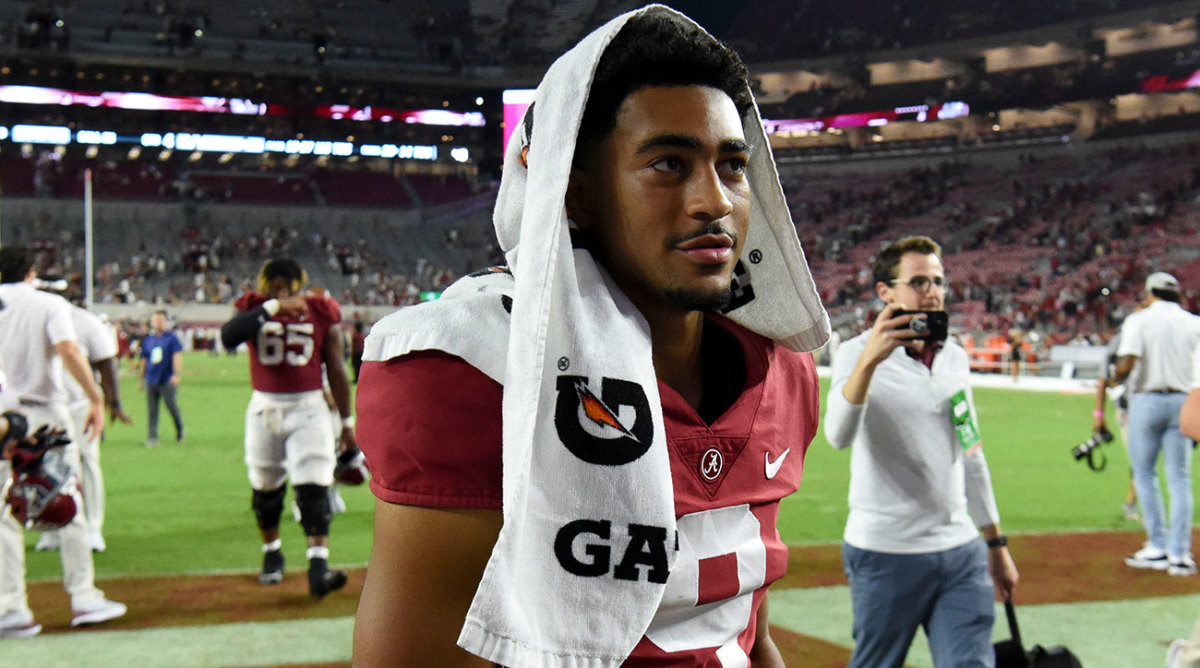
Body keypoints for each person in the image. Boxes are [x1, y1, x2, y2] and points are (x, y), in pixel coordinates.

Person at [352, 7, 829, 667]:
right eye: (669, 163)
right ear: (574, 194)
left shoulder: (779, 370)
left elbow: (749, 633)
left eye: (732, 165)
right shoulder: (473, 369)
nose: (714, 200)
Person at [824, 236, 1019, 668]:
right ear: (885, 292)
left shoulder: (954, 357)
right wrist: (870, 362)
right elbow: (837, 435)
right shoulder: (856, 353)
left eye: (938, 281)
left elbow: (971, 452)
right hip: (885, 551)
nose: (932, 291)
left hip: (959, 548)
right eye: (918, 282)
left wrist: (996, 543)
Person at [0, 246, 126, 636]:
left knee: (4, 513)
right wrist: (94, 396)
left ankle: (10, 608)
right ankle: (83, 597)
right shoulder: (47, 304)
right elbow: (68, 348)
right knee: (66, 499)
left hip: (1, 415)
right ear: (31, 272)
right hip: (44, 415)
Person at [219, 258, 356, 598]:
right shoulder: (253, 307)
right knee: (266, 490)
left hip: (309, 406)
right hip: (265, 406)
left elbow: (337, 367)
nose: (280, 291)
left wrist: (346, 422)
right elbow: (228, 337)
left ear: (298, 284)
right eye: (274, 286)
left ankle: (318, 567)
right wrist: (274, 306)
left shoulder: (320, 309)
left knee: (314, 487)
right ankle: (272, 553)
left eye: (285, 286)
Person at [1109, 271, 1200, 576]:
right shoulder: (1194, 323)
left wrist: (1113, 379)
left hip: (1147, 400)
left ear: (1150, 293)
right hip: (1183, 400)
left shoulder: (1140, 320)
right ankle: (1180, 553)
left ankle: (1157, 545)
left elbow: (1128, 361)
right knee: (1180, 477)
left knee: (1145, 474)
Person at [36, 302, 133, 554]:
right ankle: (50, 527)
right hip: (42, 403)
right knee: (43, 466)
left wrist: (113, 402)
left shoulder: (86, 321)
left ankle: (93, 527)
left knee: (87, 462)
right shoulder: (32, 312)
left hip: (80, 405)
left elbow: (106, 362)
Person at [1093, 314, 1141, 522]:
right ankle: (1132, 503)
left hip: (1140, 406)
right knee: (1141, 460)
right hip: (1131, 408)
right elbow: (1105, 378)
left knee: (1143, 461)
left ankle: (1134, 503)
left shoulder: (1123, 339)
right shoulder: (1123, 341)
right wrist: (1099, 415)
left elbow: (1105, 379)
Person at [137, 310, 184, 446]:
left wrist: (176, 374)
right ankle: (152, 436)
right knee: (152, 409)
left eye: (160, 320)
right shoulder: (148, 340)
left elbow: (177, 356)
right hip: (151, 379)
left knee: (171, 406)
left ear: (165, 322)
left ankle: (179, 429)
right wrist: (141, 379)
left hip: (166, 378)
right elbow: (144, 360)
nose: (157, 323)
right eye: (155, 320)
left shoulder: (171, 338)